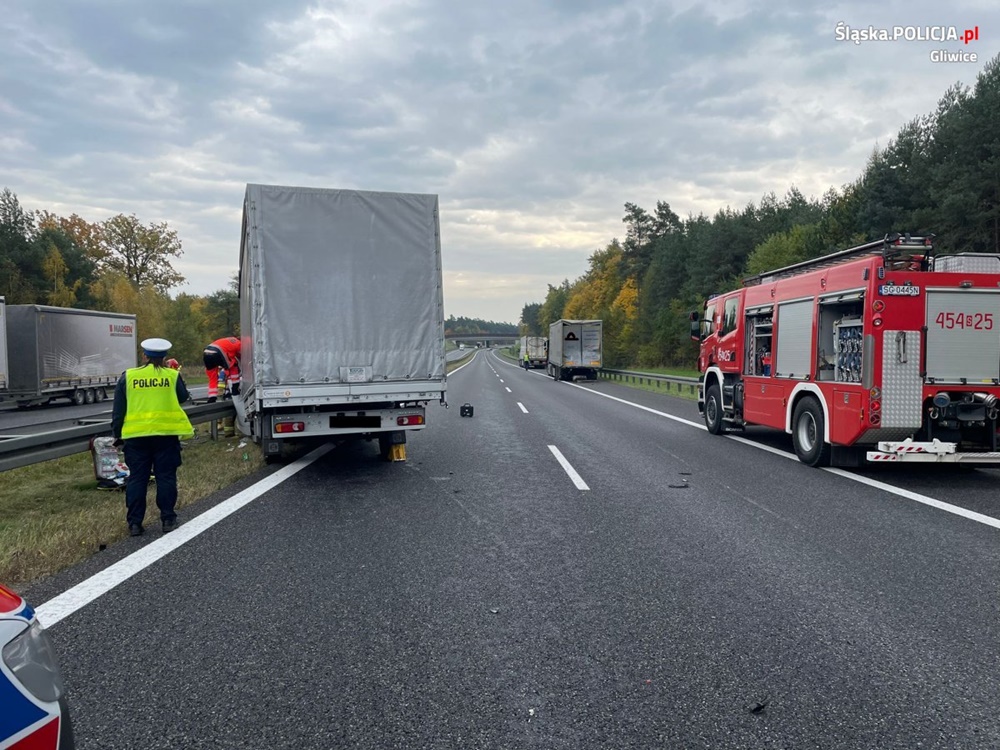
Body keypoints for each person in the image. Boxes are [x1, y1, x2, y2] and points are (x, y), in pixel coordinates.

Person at [112, 337, 194, 536]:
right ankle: (168, 519)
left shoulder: (128, 377)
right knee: (165, 476)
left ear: (144, 355)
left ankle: (134, 524)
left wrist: (117, 435)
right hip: (165, 436)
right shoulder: (172, 376)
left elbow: (118, 411)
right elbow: (183, 397)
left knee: (137, 479)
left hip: (136, 437)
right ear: (164, 357)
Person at [202, 336, 241, 402]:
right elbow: (242, 356)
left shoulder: (229, 340)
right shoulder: (239, 343)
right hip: (219, 352)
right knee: (233, 365)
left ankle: (212, 397)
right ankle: (235, 389)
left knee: (212, 376)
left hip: (206, 352)